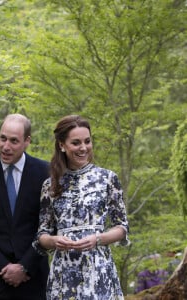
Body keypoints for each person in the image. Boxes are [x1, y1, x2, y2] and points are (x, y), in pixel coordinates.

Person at [33, 115, 130, 300]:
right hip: (63, 272)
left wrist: (98, 239)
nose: (83, 148)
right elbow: (42, 234)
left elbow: (122, 228)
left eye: (87, 141)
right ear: (62, 145)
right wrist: (54, 241)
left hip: (98, 268)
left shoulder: (108, 178)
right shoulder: (50, 185)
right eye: (76, 143)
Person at [0, 114, 50, 300]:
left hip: (34, 276)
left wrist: (25, 266)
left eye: (14, 141)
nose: (6, 146)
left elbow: (50, 225)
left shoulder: (46, 173)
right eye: (2, 138)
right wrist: (3, 266)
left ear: (27, 141)